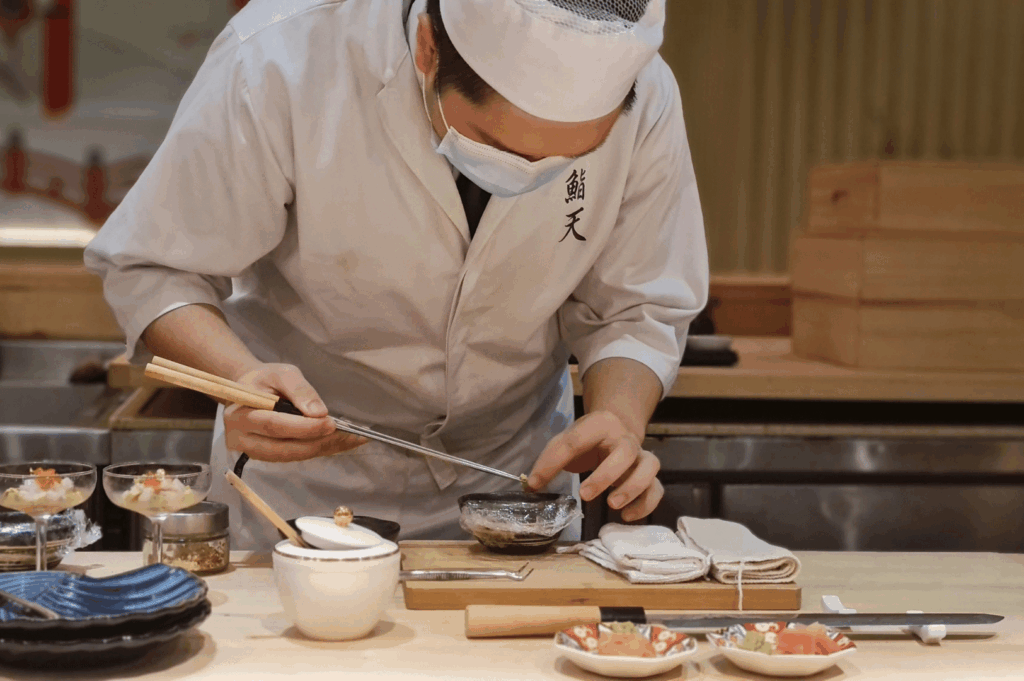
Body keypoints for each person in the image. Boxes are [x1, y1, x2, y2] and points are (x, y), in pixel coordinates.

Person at [84, 0, 708, 549]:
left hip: (516, 492)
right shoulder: (283, 56)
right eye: (503, 147)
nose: (532, 173)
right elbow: (156, 267)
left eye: (567, 159)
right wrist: (239, 379)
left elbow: (637, 307)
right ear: (428, 47)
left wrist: (619, 419)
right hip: (308, 488)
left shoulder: (645, 95)